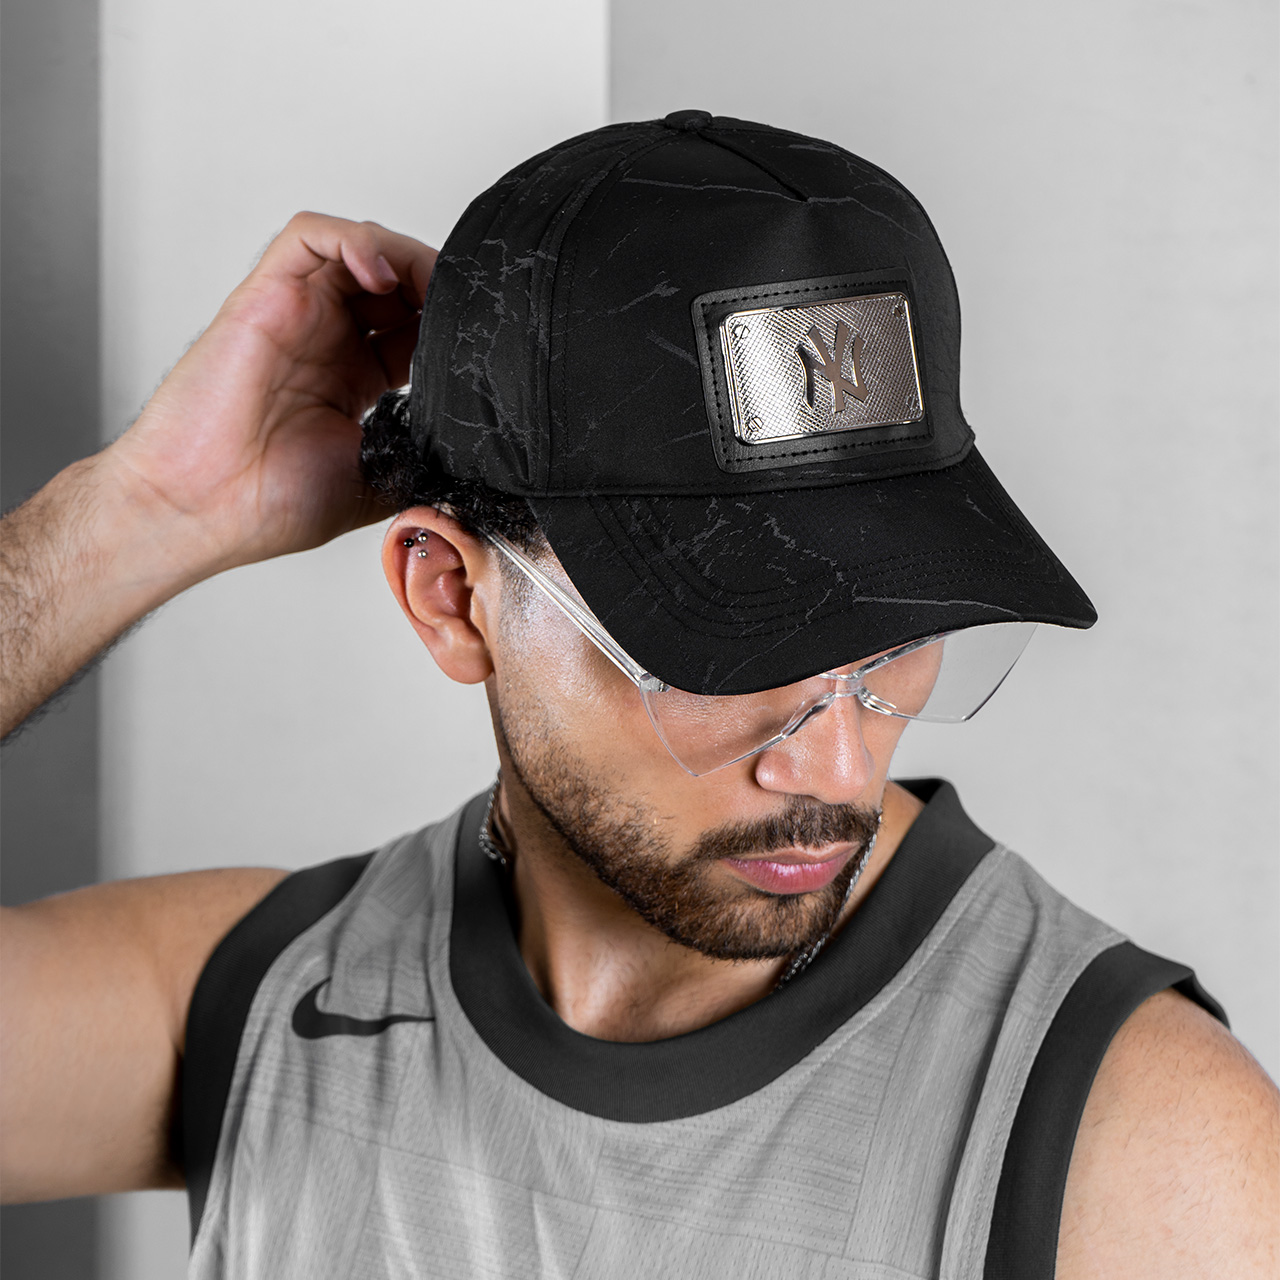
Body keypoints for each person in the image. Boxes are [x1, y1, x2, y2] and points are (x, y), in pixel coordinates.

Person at [1, 112, 1275, 1278]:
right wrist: (139, 515)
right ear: (450, 596)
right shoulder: (277, 1002)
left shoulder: (1136, 1137)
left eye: (892, 639)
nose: (836, 765)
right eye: (726, 652)